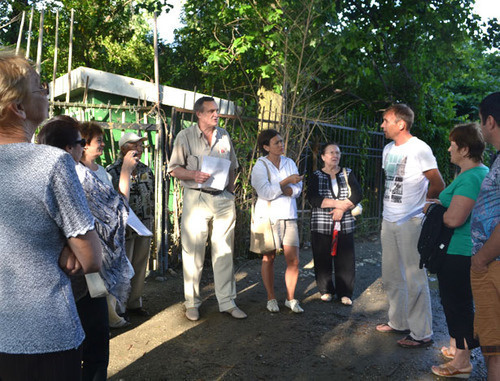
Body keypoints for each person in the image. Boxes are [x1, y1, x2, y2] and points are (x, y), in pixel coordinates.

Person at [0, 52, 101, 380]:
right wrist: (71, 243)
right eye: (39, 88)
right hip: (44, 335)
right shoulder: (51, 162)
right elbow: (92, 257)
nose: (46, 92)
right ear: (18, 107)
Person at [37, 116, 136, 381]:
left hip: (50, 283)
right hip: (81, 278)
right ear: (70, 148)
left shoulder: (34, 174)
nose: (84, 148)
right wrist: (125, 173)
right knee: (93, 347)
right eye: (82, 143)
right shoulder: (75, 175)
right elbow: (116, 210)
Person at [168, 96, 246, 321]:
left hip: (223, 199)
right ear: (199, 114)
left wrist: (231, 193)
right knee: (193, 253)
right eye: (211, 111)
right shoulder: (185, 136)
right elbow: (174, 169)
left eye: (217, 111)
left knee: (224, 251)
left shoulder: (224, 136)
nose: (216, 114)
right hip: (196, 198)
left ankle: (227, 301)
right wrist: (193, 175)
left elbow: (232, 166)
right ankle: (192, 303)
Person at [375, 103, 445, 348]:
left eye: (386, 120)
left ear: (400, 124)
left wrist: (424, 204)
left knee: (414, 277)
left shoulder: (419, 148)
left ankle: (422, 333)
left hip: (412, 221)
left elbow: (437, 182)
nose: (382, 125)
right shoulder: (387, 149)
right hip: (389, 219)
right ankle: (398, 322)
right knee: (392, 274)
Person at [425, 124, 488, 378]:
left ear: (464, 148)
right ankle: (456, 348)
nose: (449, 148)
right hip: (456, 250)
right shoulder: (470, 173)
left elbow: (454, 219)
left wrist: (432, 210)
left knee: (458, 304)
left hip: (460, 251)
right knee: (454, 301)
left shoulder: (473, 176)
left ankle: (462, 361)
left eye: (453, 144)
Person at [251, 129, 304, 313]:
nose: (281, 145)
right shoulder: (260, 165)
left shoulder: (289, 162)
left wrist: (290, 188)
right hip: (268, 217)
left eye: (282, 141)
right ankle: (271, 297)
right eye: (276, 143)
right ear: (266, 147)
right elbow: (264, 193)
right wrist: (285, 183)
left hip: (289, 215)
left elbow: (298, 188)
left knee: (294, 260)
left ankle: (291, 298)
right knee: (269, 257)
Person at [308, 142, 362, 306]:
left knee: (345, 259)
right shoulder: (316, 176)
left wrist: (341, 209)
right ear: (323, 156)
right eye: (331, 152)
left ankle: (345, 293)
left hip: (344, 222)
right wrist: (339, 204)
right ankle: (326, 290)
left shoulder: (348, 173)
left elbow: (357, 194)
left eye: (337, 152)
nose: (335, 155)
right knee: (322, 257)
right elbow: (313, 198)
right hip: (321, 223)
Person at [107, 131, 155, 318]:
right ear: (123, 148)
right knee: (123, 267)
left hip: (144, 225)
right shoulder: (113, 171)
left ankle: (135, 302)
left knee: (140, 264)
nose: (139, 149)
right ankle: (120, 307)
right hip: (124, 229)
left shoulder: (145, 170)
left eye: (141, 145)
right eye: (134, 145)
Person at [470, 92, 500, 380]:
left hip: (492, 263)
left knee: (496, 349)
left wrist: (481, 259)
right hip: (490, 263)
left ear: (490, 121)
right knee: (494, 348)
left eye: (481, 121)